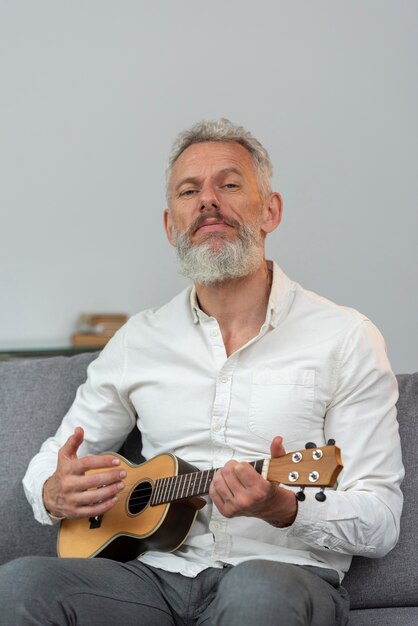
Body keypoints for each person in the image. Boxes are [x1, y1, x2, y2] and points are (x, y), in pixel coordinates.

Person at [0, 119, 403, 625]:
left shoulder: (346, 337)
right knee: (19, 585)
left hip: (278, 573)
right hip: (152, 579)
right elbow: (51, 461)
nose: (208, 200)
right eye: (189, 191)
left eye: (229, 185)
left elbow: (381, 518)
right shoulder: (137, 341)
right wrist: (52, 492)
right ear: (172, 226)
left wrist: (286, 508)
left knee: (257, 592)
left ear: (270, 211)